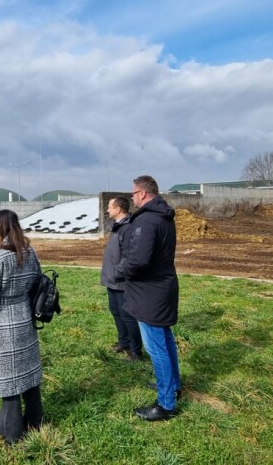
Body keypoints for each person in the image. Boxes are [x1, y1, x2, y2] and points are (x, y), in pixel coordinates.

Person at [0, 210, 44, 444]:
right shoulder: (29, 252)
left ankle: (12, 435)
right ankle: (35, 422)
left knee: (8, 383)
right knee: (28, 377)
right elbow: (38, 283)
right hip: (25, 318)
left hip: (2, 322)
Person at [117, 175, 182, 421]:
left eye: (133, 193)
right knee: (166, 341)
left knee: (156, 347)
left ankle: (165, 404)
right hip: (162, 286)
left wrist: (121, 269)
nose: (132, 197)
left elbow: (139, 259)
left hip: (150, 292)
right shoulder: (164, 216)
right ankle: (173, 387)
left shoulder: (147, 220)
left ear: (143, 193)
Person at [100, 196, 144, 362]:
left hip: (122, 282)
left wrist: (117, 273)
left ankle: (135, 351)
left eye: (110, 207)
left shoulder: (127, 228)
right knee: (116, 312)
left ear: (118, 209)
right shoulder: (118, 227)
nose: (107, 210)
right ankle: (124, 343)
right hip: (113, 281)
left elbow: (128, 256)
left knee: (128, 316)